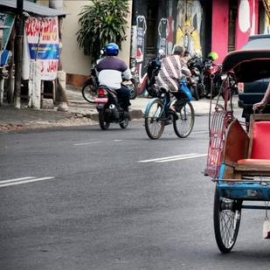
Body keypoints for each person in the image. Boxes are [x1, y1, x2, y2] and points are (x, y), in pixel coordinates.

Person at [96, 42, 132, 114]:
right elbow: (128, 76)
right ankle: (125, 110)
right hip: (115, 87)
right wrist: (128, 78)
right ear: (117, 52)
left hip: (102, 86)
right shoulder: (121, 62)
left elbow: (97, 74)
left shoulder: (99, 62)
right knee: (127, 92)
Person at [155, 45, 192, 111]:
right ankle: (174, 107)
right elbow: (187, 73)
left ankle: (164, 117)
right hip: (170, 81)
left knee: (166, 97)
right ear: (182, 53)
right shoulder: (180, 60)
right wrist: (191, 79)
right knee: (185, 97)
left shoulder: (166, 58)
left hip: (159, 81)